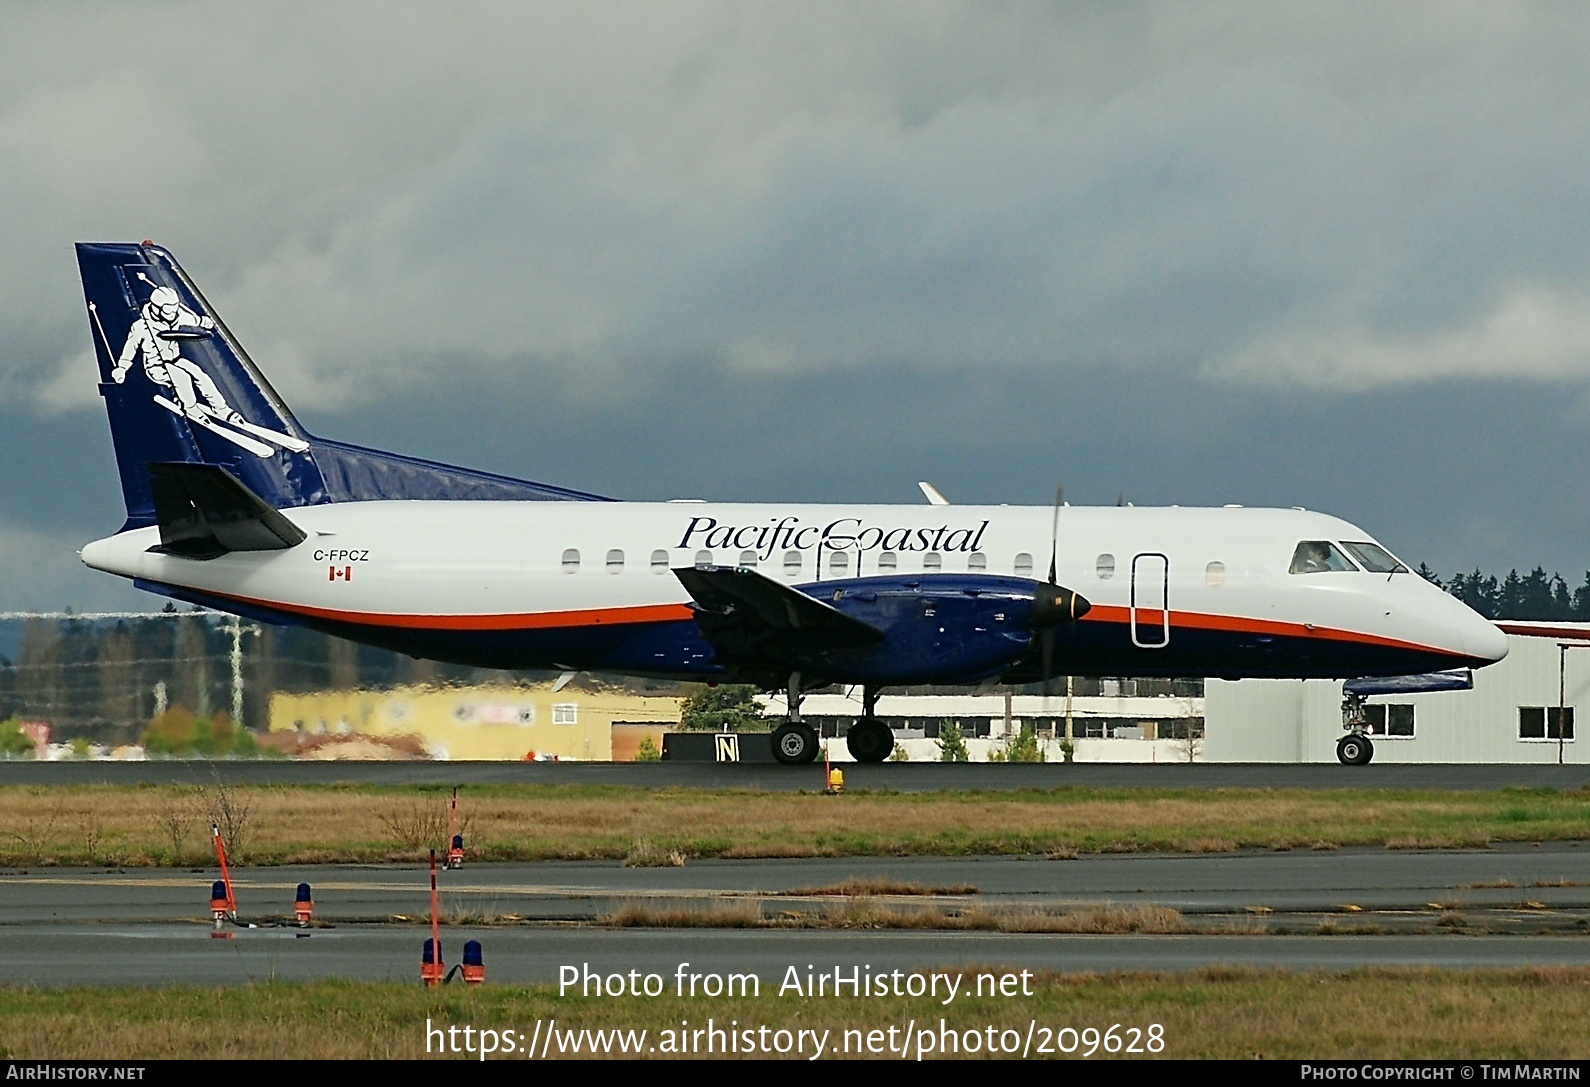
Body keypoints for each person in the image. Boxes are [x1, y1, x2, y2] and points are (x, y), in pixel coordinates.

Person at [111, 285, 243, 425]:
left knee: (200, 374)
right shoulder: (141, 327)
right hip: (156, 366)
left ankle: (221, 408)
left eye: (174, 309)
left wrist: (202, 322)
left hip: (175, 359)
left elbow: (190, 319)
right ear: (156, 308)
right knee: (182, 377)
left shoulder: (175, 317)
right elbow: (130, 347)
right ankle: (191, 408)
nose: (172, 314)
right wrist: (122, 368)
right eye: (168, 310)